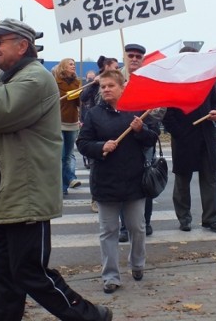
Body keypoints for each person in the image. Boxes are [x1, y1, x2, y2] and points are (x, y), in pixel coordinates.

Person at [0, 18, 112, 321]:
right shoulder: (9, 77)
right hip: (5, 193)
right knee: (5, 279)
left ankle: (90, 316)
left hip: (25, 195)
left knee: (31, 274)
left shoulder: (34, 78)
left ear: (22, 46)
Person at [76, 69, 159, 294]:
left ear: (122, 87)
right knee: (108, 231)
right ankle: (110, 276)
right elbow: (82, 143)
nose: (105, 90)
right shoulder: (93, 114)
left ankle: (138, 264)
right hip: (106, 181)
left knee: (137, 227)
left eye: (110, 85)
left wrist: (141, 130)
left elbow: (153, 138)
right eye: (103, 86)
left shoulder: (137, 110)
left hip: (134, 180)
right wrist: (100, 146)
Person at [162, 46, 216, 234]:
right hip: (183, 138)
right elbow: (167, 115)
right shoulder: (172, 82)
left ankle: (210, 218)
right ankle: (184, 218)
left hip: (206, 136)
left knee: (210, 178)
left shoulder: (206, 80)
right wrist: (179, 133)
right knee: (182, 180)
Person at [119, 44, 155, 241]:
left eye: (138, 56)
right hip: (121, 138)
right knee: (123, 183)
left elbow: (160, 110)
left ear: (142, 59)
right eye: (130, 55)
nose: (134, 59)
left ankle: (145, 222)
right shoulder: (114, 78)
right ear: (124, 56)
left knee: (145, 182)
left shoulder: (149, 80)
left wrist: (146, 118)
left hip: (144, 137)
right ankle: (124, 226)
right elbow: (101, 102)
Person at [80, 56, 119, 213]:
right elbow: (83, 98)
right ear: (107, 66)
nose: (117, 69)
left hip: (113, 125)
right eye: (115, 66)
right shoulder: (97, 81)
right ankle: (95, 198)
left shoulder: (119, 80)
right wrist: (94, 84)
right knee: (95, 165)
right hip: (96, 126)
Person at [55, 58, 82, 195]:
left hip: (72, 123)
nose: (73, 66)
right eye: (71, 64)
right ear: (63, 67)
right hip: (59, 122)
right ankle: (60, 186)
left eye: (74, 65)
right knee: (60, 155)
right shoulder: (55, 82)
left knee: (67, 156)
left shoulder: (78, 83)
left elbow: (78, 103)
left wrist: (79, 95)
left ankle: (65, 185)